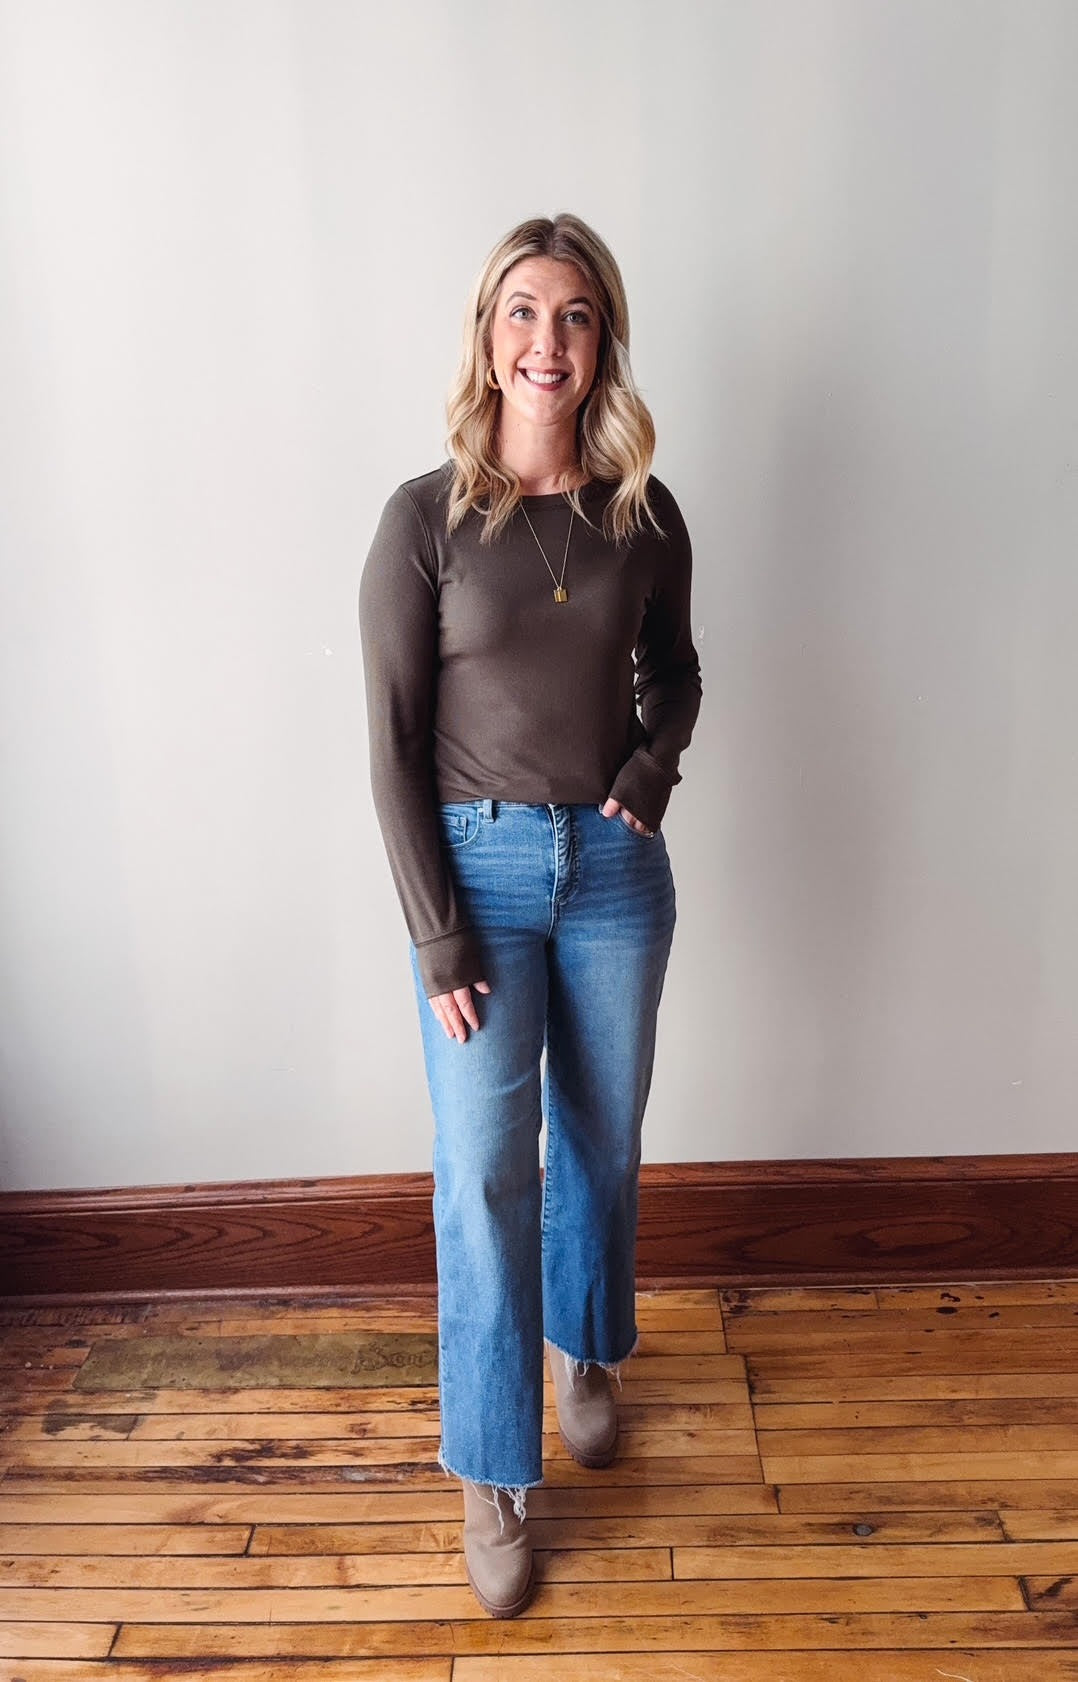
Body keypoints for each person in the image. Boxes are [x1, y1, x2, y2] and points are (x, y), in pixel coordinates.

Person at [358, 212, 701, 1618]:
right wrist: (436, 931)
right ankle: (493, 1472)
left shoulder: (643, 513)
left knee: (601, 1139)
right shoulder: (421, 518)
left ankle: (588, 1343)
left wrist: (646, 770)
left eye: (570, 315)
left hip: (614, 875)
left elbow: (673, 674)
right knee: (481, 1174)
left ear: (599, 338)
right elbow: (389, 740)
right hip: (478, 880)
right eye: (518, 311)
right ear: (485, 337)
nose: (543, 341)